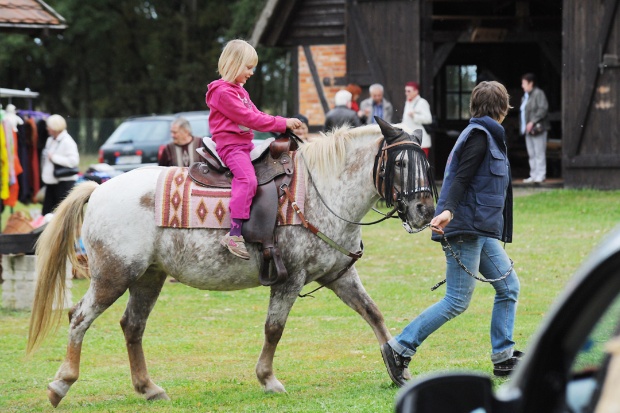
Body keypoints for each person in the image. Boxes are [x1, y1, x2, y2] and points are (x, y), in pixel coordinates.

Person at [380, 81, 521, 386]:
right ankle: (399, 347)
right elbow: (459, 178)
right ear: (501, 107)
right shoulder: (479, 138)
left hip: (480, 229)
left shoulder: (489, 135)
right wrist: (448, 211)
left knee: (509, 286)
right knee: (457, 300)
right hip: (464, 229)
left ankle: (504, 356)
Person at [205, 39, 302, 260]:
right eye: (248, 67)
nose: (251, 72)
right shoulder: (222, 93)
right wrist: (282, 122)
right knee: (248, 180)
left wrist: (280, 125)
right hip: (231, 147)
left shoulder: (240, 91)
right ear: (234, 63)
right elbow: (249, 118)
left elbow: (257, 115)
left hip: (245, 144)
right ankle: (234, 232)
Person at [41, 114, 79, 215]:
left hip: (64, 183)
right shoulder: (50, 140)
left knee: (64, 213)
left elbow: (73, 161)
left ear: (54, 127)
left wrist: (54, 158)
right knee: (47, 212)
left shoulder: (67, 141)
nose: (47, 128)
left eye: (48, 126)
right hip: (52, 182)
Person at [520, 73, 550, 184]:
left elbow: (543, 108)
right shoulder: (525, 96)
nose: (522, 86)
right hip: (528, 130)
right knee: (531, 153)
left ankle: (541, 175)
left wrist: (533, 121)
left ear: (530, 83)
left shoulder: (539, 94)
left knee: (539, 152)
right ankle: (533, 175)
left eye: (524, 83)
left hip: (538, 128)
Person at [402, 81, 433, 157]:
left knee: (420, 166)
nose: (406, 93)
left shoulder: (422, 102)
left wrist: (414, 116)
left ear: (416, 91)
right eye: (406, 91)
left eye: (409, 91)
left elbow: (429, 119)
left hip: (421, 141)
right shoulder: (408, 102)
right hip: (410, 140)